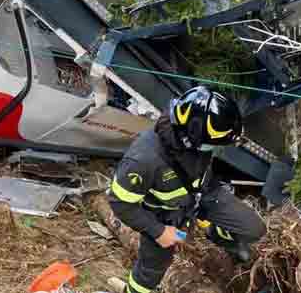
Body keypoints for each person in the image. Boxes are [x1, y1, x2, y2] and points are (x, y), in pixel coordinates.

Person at [107, 86, 265, 293]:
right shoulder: (143, 160)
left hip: (203, 196)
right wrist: (159, 231)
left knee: (254, 229)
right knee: (150, 272)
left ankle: (211, 231)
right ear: (190, 137)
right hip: (164, 217)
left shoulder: (199, 134)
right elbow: (120, 203)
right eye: (211, 146)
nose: (213, 151)